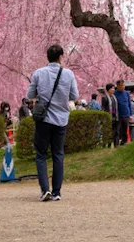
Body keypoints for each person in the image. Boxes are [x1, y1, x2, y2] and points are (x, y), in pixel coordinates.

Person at [27, 44, 78, 202]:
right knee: (58, 155)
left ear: (47, 57)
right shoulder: (68, 74)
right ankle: (57, 192)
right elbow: (74, 95)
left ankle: (45, 190)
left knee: (41, 154)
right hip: (61, 119)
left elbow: (30, 95)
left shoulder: (39, 73)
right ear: (61, 57)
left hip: (44, 119)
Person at [114, 80, 132, 145]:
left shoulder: (126, 93)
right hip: (118, 114)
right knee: (118, 130)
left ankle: (124, 142)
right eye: (121, 85)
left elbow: (129, 104)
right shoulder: (115, 94)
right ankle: (116, 142)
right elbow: (113, 105)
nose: (123, 87)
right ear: (118, 86)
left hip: (126, 114)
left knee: (125, 129)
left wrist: (130, 114)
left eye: (123, 85)